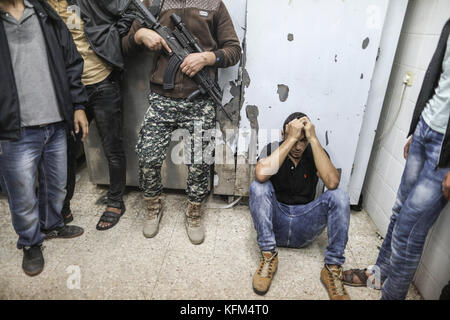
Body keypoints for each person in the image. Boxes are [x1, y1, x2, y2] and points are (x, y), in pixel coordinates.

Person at [342, 18, 450, 300]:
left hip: (446, 150)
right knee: (398, 211)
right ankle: (379, 274)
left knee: (409, 231)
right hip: (427, 129)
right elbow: (437, 79)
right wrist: (417, 129)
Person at [122, 0, 241, 244]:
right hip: (161, 97)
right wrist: (140, 35)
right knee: (147, 156)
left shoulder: (214, 4)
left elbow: (233, 50)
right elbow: (124, 45)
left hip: (200, 100)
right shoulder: (154, 3)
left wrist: (207, 58)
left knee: (199, 162)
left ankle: (194, 210)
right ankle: (153, 205)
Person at [0, 0, 88, 276]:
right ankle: (30, 241)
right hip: (15, 129)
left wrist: (78, 106)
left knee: (56, 184)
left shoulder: (43, 13)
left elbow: (71, 61)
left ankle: (52, 225)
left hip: (55, 120)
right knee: (23, 195)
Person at [46, 0, 133, 230]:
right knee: (66, 151)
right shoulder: (40, 6)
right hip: (68, 90)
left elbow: (129, 9)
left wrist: (112, 37)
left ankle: (115, 202)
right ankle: (62, 207)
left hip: (101, 80)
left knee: (112, 147)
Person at [249, 112, 351, 300]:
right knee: (258, 186)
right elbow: (261, 175)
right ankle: (269, 256)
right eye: (294, 140)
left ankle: (332, 268)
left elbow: (332, 183)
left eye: (302, 141)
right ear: (283, 135)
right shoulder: (273, 149)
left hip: (305, 225)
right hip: (276, 224)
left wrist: (312, 138)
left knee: (339, 196)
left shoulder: (314, 151)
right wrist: (291, 138)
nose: (298, 147)